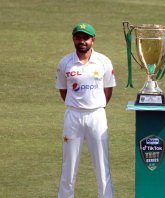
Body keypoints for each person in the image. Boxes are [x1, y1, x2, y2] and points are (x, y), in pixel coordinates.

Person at [55, 22, 116, 198]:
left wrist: (96, 105)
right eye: (78, 37)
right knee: (69, 164)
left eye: (86, 38)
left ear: (93, 40)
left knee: (101, 164)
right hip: (73, 116)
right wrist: (77, 105)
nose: (82, 41)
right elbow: (63, 90)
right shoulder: (65, 62)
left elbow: (108, 90)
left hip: (97, 115)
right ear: (73, 39)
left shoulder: (103, 61)